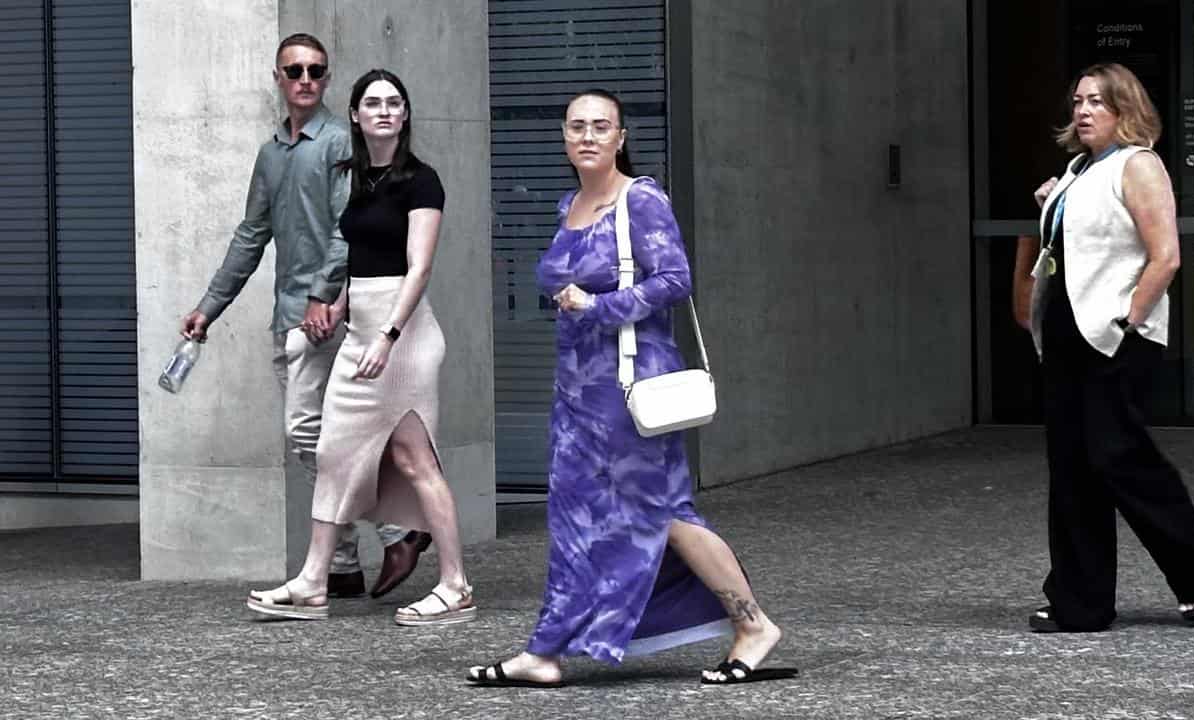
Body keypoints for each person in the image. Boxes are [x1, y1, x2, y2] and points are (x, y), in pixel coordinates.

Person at [465, 89, 796, 687]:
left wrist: (598, 304)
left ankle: (754, 625)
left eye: (601, 127)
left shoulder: (639, 200)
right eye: (576, 127)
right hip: (575, 392)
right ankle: (545, 651)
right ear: (564, 138)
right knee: (570, 518)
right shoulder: (570, 204)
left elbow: (675, 279)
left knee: (662, 512)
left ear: (620, 136)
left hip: (629, 384)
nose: (588, 136)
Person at [182, 34, 431, 601]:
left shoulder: (343, 144)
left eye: (316, 71)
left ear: (325, 79)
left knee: (310, 436)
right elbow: (251, 235)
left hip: (331, 315)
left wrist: (324, 295)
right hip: (287, 314)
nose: (305, 79)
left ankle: (398, 529)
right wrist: (208, 307)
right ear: (278, 77)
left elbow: (352, 227)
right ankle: (342, 564)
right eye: (294, 70)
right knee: (319, 442)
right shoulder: (270, 154)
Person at [247, 69, 474, 625]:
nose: (384, 111)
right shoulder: (357, 179)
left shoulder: (421, 180)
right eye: (372, 103)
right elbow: (360, 263)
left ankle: (456, 584)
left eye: (395, 103)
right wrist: (337, 310)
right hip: (361, 331)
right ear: (354, 114)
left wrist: (389, 335)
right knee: (332, 454)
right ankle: (312, 582)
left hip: (405, 334)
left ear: (405, 114)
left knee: (415, 460)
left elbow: (417, 268)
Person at [1025, 62, 1194, 633]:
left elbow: (1166, 256)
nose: (1083, 111)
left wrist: (1126, 322)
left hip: (1114, 337)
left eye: (1098, 102)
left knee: (1118, 458)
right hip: (1067, 335)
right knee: (1071, 470)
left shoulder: (1138, 165)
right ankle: (1079, 603)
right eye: (1079, 101)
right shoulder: (1078, 170)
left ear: (1125, 110)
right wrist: (1054, 196)